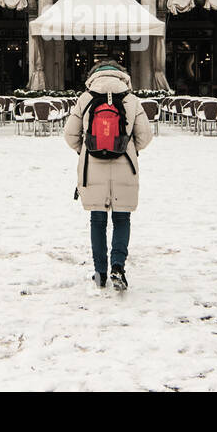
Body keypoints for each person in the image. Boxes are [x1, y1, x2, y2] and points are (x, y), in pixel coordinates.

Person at [64, 59, 153, 291]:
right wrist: (129, 147)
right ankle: (118, 266)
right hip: (125, 165)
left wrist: (85, 150)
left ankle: (100, 272)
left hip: (92, 166)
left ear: (94, 76)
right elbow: (145, 137)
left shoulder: (85, 99)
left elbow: (70, 135)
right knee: (122, 219)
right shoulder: (132, 100)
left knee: (97, 220)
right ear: (122, 76)